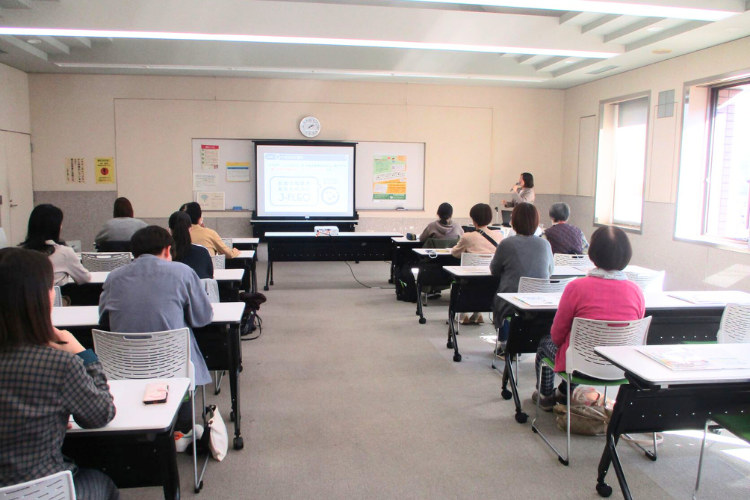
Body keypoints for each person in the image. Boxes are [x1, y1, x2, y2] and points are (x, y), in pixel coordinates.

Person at [0, 248, 118, 500]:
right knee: (104, 482)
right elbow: (100, 414)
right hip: (43, 490)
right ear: (40, 298)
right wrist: (82, 353)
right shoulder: (58, 364)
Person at [533, 226, 645, 410]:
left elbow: (557, 335)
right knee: (578, 348)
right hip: (620, 365)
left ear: (593, 253)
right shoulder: (636, 292)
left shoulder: (576, 287)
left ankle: (545, 396)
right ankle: (563, 392)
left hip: (579, 363)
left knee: (546, 344)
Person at [99, 226, 213, 387]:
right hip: (172, 367)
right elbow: (203, 318)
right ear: (167, 250)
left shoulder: (114, 277)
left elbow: (104, 320)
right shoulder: (183, 272)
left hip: (125, 368)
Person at [490, 203, 553, 350]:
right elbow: (550, 271)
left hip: (511, 300)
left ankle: (504, 343)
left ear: (514, 221)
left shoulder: (506, 244)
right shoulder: (545, 244)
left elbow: (494, 270)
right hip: (540, 301)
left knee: (498, 296)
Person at [451, 203, 504, 324]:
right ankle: (477, 314)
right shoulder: (499, 236)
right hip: (493, 281)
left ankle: (463, 314)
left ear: (473, 219)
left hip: (471, 281)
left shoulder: (468, 237)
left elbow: (455, 253)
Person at [21, 204, 91, 286]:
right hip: (53, 298)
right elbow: (85, 278)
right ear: (56, 227)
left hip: (24, 298)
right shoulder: (65, 252)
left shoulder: (19, 253)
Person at [169, 211, 213, 280]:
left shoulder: (166, 253)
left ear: (170, 230)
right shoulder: (203, 252)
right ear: (190, 229)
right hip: (199, 290)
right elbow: (209, 276)